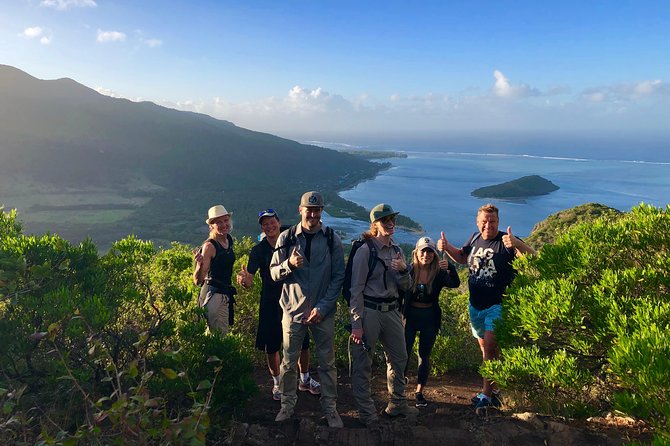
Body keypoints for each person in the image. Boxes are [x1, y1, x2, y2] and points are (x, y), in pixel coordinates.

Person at [438, 203, 536, 410]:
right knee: (486, 350)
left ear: (498, 222)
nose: (488, 225)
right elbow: (462, 258)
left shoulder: (507, 242)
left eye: (492, 221)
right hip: (476, 306)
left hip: (498, 305)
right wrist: (447, 247)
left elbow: (532, 260)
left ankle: (486, 395)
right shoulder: (474, 238)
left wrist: (518, 243)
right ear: (477, 222)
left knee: (490, 348)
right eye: (484, 221)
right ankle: (497, 389)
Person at [270, 191, 345, 428]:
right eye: (309, 209)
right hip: (293, 311)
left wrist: (323, 307)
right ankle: (287, 407)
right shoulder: (287, 238)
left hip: (323, 313)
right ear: (300, 209)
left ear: (322, 211)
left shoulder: (332, 238)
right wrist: (288, 265)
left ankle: (330, 409)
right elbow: (273, 273)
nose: (313, 214)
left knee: (327, 363)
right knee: (289, 363)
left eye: (317, 209)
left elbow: (338, 277)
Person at [236, 209, 320, 401]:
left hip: (295, 299)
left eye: (272, 222)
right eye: (265, 224)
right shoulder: (258, 250)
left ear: (279, 222)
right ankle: (277, 383)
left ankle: (305, 379)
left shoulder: (291, 238)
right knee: (271, 345)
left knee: (302, 342)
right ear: (262, 228)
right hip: (270, 301)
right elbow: (248, 279)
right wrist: (245, 280)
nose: (269, 226)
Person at [349, 203, 417, 427]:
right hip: (369, 311)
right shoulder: (365, 250)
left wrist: (403, 269)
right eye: (385, 220)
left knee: (399, 358)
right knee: (362, 362)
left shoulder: (396, 250)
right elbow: (356, 289)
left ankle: (397, 403)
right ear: (375, 224)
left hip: (391, 311)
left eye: (392, 220)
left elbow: (406, 287)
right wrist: (356, 323)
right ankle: (367, 412)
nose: (390, 223)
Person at [403, 236, 460, 408]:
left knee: (424, 356)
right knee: (403, 353)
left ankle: (419, 391)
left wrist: (450, 266)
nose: (426, 254)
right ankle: (399, 388)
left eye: (430, 251)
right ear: (416, 252)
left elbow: (455, 284)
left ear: (434, 254)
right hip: (410, 316)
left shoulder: (439, 273)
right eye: (423, 251)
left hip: (430, 316)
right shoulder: (409, 270)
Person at [193, 205, 237, 335]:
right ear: (211, 226)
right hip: (214, 296)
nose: (224, 224)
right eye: (218, 222)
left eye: (225, 220)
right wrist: (200, 266)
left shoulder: (228, 240)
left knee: (215, 337)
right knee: (220, 340)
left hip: (223, 294)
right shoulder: (210, 246)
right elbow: (198, 281)